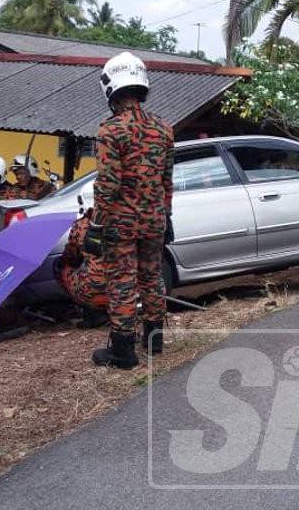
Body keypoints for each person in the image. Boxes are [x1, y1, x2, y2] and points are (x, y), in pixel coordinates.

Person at [87, 52, 174, 369]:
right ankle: (154, 340)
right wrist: (168, 215)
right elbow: (167, 179)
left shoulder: (110, 130)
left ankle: (123, 351)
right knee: (152, 278)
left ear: (111, 87)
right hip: (154, 220)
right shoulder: (164, 128)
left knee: (122, 283)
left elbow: (107, 183)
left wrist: (96, 226)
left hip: (120, 224)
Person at [57, 189, 108, 328]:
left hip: (95, 293)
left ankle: (92, 313)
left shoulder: (82, 225)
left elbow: (71, 256)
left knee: (60, 266)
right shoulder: (124, 219)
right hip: (126, 289)